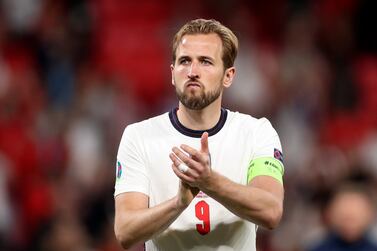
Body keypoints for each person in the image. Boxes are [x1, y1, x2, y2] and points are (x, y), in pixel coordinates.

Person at [114, 18, 285, 251]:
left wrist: (209, 182)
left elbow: (271, 211)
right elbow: (125, 231)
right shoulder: (139, 137)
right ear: (173, 74)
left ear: (229, 76)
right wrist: (178, 204)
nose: (193, 72)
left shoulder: (256, 132)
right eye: (185, 61)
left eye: (205, 62)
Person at [308, 184, 377, 251]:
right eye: (343, 212)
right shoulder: (318, 248)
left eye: (357, 213)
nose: (350, 219)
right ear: (330, 214)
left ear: (370, 215)